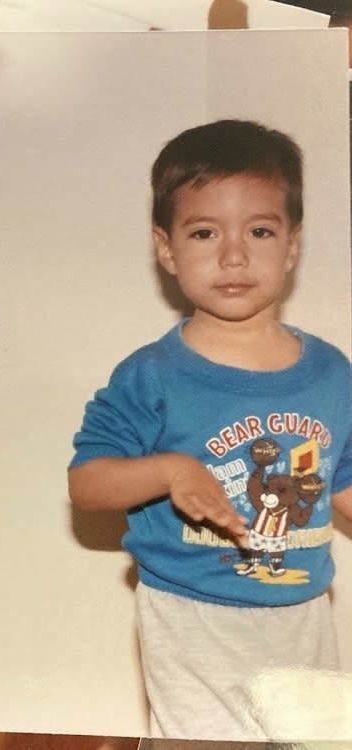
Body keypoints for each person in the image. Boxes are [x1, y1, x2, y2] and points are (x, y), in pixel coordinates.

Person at [68, 120, 352, 741]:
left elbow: (343, 482)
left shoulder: (333, 372)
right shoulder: (151, 375)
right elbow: (87, 485)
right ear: (167, 249)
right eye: (204, 232)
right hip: (192, 614)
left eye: (259, 230)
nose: (234, 256)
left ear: (293, 245)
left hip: (303, 612)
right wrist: (171, 470)